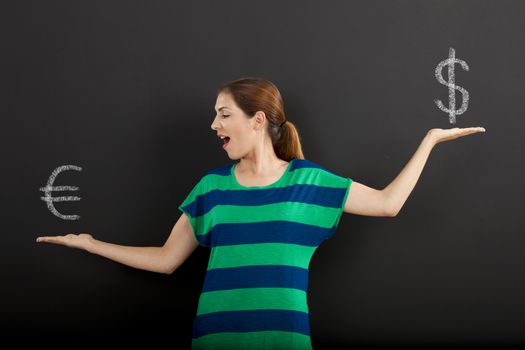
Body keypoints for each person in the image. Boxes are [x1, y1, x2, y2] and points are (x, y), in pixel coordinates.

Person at [36, 77, 486, 349]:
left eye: (223, 114)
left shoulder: (309, 182)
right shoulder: (211, 187)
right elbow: (167, 259)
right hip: (215, 336)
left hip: (284, 337)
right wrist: (92, 245)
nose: (214, 125)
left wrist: (428, 141)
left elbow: (388, 204)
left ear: (256, 121)